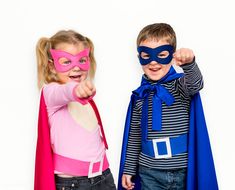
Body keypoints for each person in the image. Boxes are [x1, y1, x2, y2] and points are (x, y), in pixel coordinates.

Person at [118, 23, 218, 190]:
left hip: (181, 170)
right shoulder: (140, 95)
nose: (154, 62)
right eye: (146, 56)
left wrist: (189, 64)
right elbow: (134, 137)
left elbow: (196, 84)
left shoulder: (179, 85)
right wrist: (128, 169)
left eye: (161, 55)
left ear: (172, 56)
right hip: (148, 171)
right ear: (139, 57)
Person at [34, 30, 116, 190]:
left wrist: (81, 91)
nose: (76, 67)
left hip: (104, 176)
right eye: (66, 62)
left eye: (82, 60)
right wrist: (75, 90)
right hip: (74, 184)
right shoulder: (51, 92)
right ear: (51, 66)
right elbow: (64, 92)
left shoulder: (86, 96)